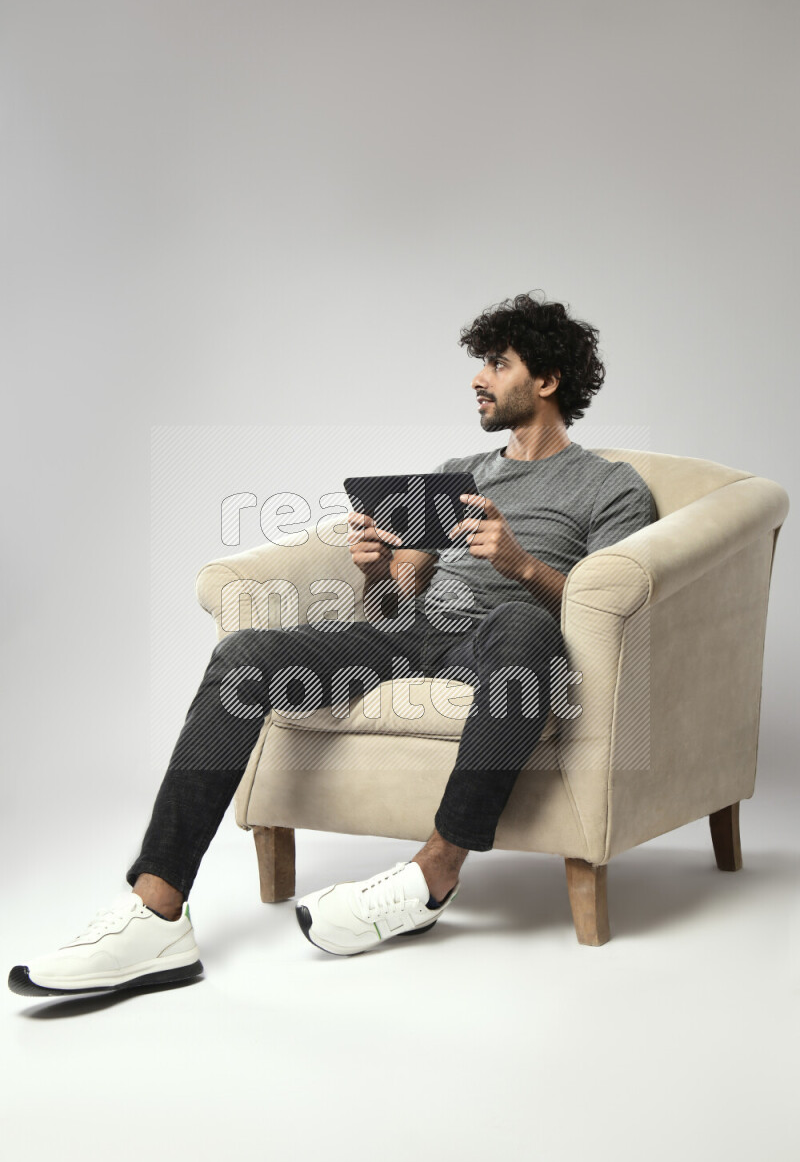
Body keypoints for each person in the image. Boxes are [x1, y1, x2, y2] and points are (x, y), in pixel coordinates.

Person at [8, 291, 657, 997]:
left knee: (523, 624)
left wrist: (521, 566)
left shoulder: (609, 486)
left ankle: (434, 873)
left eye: (497, 365)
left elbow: (609, 608)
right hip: (413, 633)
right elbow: (396, 601)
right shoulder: (458, 472)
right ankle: (156, 913)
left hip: (510, 639)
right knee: (243, 658)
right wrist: (380, 569)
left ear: (547, 381)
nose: (478, 379)